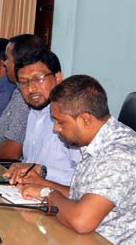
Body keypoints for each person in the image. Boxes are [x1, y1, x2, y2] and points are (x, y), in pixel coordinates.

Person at [19, 75, 136, 244]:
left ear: (85, 119)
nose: (56, 128)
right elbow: (81, 195)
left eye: (61, 122)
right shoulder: (97, 141)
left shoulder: (120, 155)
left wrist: (47, 194)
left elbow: (82, 221)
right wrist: (41, 184)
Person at [3, 49, 81, 186]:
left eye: (38, 79)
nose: (31, 89)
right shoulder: (33, 113)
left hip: (61, 200)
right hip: (26, 193)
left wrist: (43, 171)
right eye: (23, 82)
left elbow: (86, 181)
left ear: (58, 78)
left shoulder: (73, 118)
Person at [0, 34, 43, 161]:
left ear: (20, 62)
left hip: (5, 165)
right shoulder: (17, 90)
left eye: (7, 59)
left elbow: (11, 152)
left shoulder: (27, 98)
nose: (5, 64)